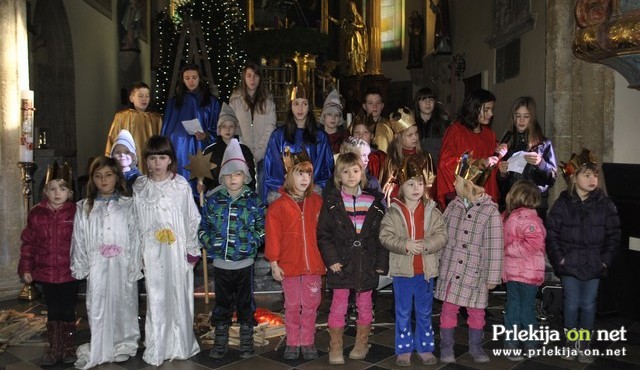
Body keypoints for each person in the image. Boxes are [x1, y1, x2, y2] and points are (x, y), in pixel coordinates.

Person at [132, 135, 201, 366]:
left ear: (170, 159)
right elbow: (136, 222)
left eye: (162, 157)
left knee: (178, 293)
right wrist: (138, 251)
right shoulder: (140, 187)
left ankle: (181, 343)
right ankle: (157, 345)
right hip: (152, 251)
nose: (157, 163)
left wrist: (192, 248)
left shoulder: (180, 185)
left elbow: (192, 217)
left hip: (177, 249)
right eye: (153, 158)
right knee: (157, 297)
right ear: (146, 160)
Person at [546, 148, 620, 364]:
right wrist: (560, 258)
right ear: (574, 177)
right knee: (571, 303)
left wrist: (604, 260)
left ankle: (584, 342)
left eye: (595, 175)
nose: (592, 179)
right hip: (569, 264)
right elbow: (552, 234)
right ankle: (571, 341)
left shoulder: (605, 204)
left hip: (594, 264)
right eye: (586, 174)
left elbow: (614, 234)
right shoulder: (562, 204)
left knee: (588, 304)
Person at [318, 151, 388, 365]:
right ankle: (336, 346)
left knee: (365, 305)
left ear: (362, 173)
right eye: (345, 171)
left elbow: (381, 236)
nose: (351, 175)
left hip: (366, 263)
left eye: (355, 171)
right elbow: (324, 234)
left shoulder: (373, 201)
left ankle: (361, 344)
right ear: (338, 175)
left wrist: (380, 264)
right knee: (339, 304)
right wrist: (331, 260)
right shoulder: (332, 201)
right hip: (341, 263)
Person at [70, 156, 141, 369]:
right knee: (98, 302)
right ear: (92, 179)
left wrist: (134, 263)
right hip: (97, 263)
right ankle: (103, 341)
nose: (103, 180)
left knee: (125, 301)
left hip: (122, 261)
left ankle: (124, 343)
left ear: (117, 177)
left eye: (108, 175)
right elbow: (79, 237)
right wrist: (81, 263)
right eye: (98, 176)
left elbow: (136, 235)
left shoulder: (128, 205)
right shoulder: (84, 207)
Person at [199, 139, 265, 359]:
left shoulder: (253, 201)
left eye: (237, 174)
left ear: (244, 176)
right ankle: (221, 338)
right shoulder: (214, 200)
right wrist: (211, 243)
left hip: (244, 263)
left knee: (246, 303)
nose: (232, 179)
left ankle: (246, 338)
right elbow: (203, 227)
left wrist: (253, 243)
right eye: (228, 175)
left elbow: (261, 228)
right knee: (223, 303)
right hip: (221, 263)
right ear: (222, 178)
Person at [435, 152, 504, 364]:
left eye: (456, 180)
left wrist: (493, 277)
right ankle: (447, 347)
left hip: (476, 273)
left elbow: (495, 246)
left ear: (467, 184)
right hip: (452, 269)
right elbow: (441, 235)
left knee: (477, 312)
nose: (453, 183)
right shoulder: (453, 206)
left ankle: (476, 347)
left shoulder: (490, 212)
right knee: (448, 310)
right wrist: (435, 262)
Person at [379, 153, 447, 367]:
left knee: (425, 311)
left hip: (425, 272)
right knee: (403, 311)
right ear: (402, 186)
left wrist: (427, 244)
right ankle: (404, 348)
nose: (416, 188)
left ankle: (425, 347)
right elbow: (385, 236)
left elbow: (442, 235)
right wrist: (405, 244)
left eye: (419, 183)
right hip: (402, 272)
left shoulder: (432, 210)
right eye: (410, 183)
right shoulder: (393, 212)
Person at [264, 150, 325, 360]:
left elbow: (326, 233)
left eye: (308, 174)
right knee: (292, 306)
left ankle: (307, 340)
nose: (304, 178)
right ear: (289, 175)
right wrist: (274, 263)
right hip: (288, 266)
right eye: (299, 174)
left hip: (313, 266)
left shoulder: (317, 202)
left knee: (310, 305)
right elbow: (272, 236)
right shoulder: (278, 206)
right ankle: (292, 341)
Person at [18, 161, 78, 366]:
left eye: (62, 188)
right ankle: (54, 348)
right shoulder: (36, 213)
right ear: (45, 191)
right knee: (53, 310)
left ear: (69, 192)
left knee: (68, 310)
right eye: (52, 188)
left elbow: (83, 242)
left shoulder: (76, 213)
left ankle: (69, 346)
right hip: (46, 272)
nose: (57, 193)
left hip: (70, 271)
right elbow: (28, 243)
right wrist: (26, 267)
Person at [262, 83, 334, 202]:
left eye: (304, 104)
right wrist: (287, 189)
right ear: (290, 106)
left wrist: (310, 188)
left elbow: (325, 170)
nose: (300, 109)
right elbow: (272, 169)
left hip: (312, 196)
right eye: (296, 103)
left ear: (309, 106)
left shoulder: (320, 137)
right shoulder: (278, 136)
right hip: (285, 196)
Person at [501, 180, 546, 361]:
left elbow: (533, 243)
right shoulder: (511, 216)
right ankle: (515, 342)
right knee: (515, 307)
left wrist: (509, 250)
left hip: (525, 273)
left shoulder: (526, 219)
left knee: (523, 308)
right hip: (517, 273)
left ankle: (526, 342)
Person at [437, 89, 501, 209]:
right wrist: (481, 163)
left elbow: (493, 168)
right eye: (486, 109)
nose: (491, 114)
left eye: (492, 109)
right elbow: (446, 162)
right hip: (465, 196)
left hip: (487, 194)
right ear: (474, 108)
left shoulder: (490, 134)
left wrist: (500, 159)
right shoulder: (455, 131)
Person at [161, 65, 220, 191]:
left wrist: (207, 135)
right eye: (187, 78)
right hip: (178, 151)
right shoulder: (174, 102)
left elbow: (217, 127)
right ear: (182, 80)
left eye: (194, 77)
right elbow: (166, 129)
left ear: (200, 79)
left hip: (200, 149)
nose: (191, 81)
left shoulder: (211, 102)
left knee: (198, 188)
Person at [497, 96, 557, 220]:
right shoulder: (507, 143)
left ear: (532, 118)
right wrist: (502, 174)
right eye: (518, 116)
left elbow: (551, 178)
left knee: (533, 238)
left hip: (535, 205)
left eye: (526, 116)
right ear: (513, 118)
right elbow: (499, 185)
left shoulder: (543, 144)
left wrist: (541, 163)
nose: (521, 120)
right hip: (511, 204)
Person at [229, 62, 277, 197]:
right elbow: (234, 128)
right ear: (244, 78)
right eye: (249, 75)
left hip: (263, 153)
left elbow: (270, 128)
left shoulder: (268, 103)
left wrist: (259, 152)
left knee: (262, 178)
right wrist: (245, 151)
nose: (252, 79)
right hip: (242, 153)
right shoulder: (235, 102)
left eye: (255, 76)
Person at [105, 82, 162, 174]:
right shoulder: (121, 117)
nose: (144, 99)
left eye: (147, 96)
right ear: (131, 98)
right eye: (140, 96)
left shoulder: (156, 119)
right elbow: (112, 139)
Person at [381, 108, 435, 203]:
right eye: (410, 135)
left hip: (421, 202)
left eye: (416, 133)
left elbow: (431, 183)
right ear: (398, 137)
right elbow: (386, 186)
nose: (415, 137)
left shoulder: (425, 157)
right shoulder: (392, 159)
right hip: (399, 203)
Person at [200, 103, 256, 193]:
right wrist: (203, 186)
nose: (228, 130)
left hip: (240, 195)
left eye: (231, 126)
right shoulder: (209, 151)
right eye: (224, 126)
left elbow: (251, 177)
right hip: (216, 196)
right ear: (219, 129)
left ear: (236, 129)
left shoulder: (244, 150)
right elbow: (205, 179)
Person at [413, 87, 450, 168]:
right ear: (417, 103)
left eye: (431, 99)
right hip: (417, 169)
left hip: (439, 168)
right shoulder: (411, 124)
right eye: (423, 99)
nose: (428, 103)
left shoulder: (443, 124)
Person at [329, 1, 368, 75]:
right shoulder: (347, 18)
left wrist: (355, 26)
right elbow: (340, 23)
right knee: (349, 53)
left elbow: (363, 26)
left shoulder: (357, 16)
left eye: (350, 8)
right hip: (350, 37)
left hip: (356, 37)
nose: (349, 9)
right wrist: (332, 19)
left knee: (356, 52)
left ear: (353, 8)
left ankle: (357, 69)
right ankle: (351, 69)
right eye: (348, 8)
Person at [351, 117, 387, 182]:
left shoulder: (379, 157)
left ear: (372, 136)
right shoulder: (348, 156)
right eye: (357, 132)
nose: (360, 136)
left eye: (365, 132)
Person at [360, 87, 394, 153]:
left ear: (382, 106)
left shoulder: (390, 125)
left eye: (378, 103)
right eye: (370, 103)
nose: (375, 106)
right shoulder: (358, 124)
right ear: (364, 106)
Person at [319, 89, 349, 154]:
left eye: (337, 115)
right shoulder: (316, 137)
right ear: (324, 116)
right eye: (329, 114)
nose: (333, 118)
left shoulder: (345, 138)